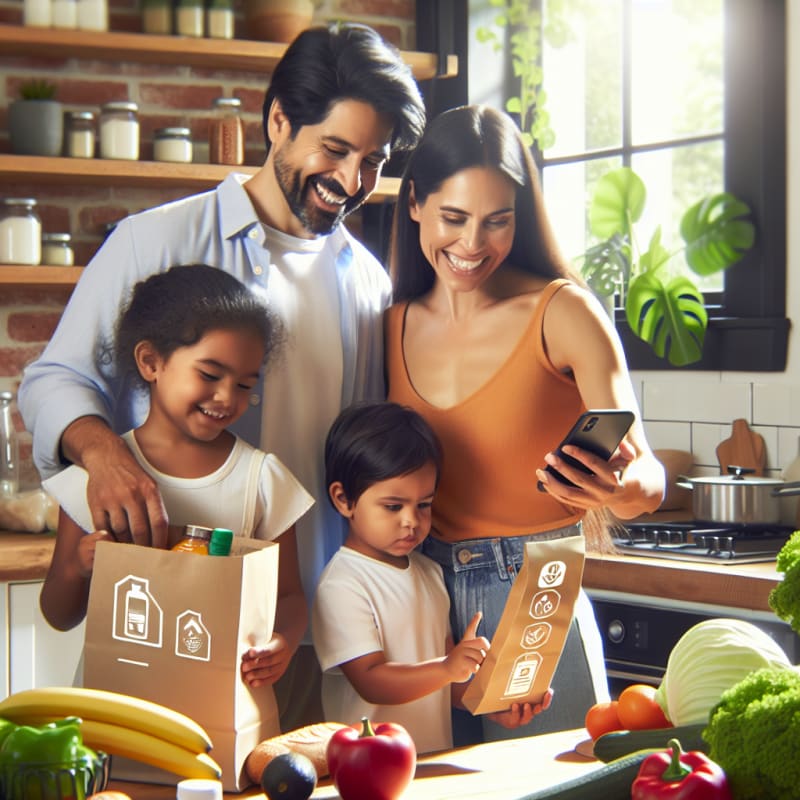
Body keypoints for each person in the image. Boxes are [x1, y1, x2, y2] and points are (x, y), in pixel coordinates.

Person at [18, 22, 426, 728]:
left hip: (296, 632)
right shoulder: (155, 241)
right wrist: (105, 457)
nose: (353, 182)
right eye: (335, 149)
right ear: (278, 121)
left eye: (374, 160)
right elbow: (55, 379)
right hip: (156, 619)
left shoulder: (367, 280)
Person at [384, 105, 666, 745]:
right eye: (453, 218)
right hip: (418, 593)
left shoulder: (563, 312)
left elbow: (648, 475)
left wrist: (616, 488)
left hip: (535, 588)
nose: (473, 244)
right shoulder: (390, 323)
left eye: (497, 222)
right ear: (416, 205)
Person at [40, 265, 313, 692]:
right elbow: (58, 614)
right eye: (209, 375)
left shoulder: (262, 480)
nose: (227, 397)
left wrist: (284, 641)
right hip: (115, 706)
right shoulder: (97, 480)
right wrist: (78, 566)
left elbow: (290, 596)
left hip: (217, 704)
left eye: (244, 385)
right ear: (151, 361)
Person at [312, 401, 551, 754]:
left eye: (423, 504)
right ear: (343, 499)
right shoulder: (343, 583)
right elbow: (371, 681)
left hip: (430, 763)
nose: (411, 520)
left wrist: (492, 703)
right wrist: (446, 667)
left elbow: (448, 686)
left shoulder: (429, 572)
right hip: (365, 767)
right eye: (393, 507)